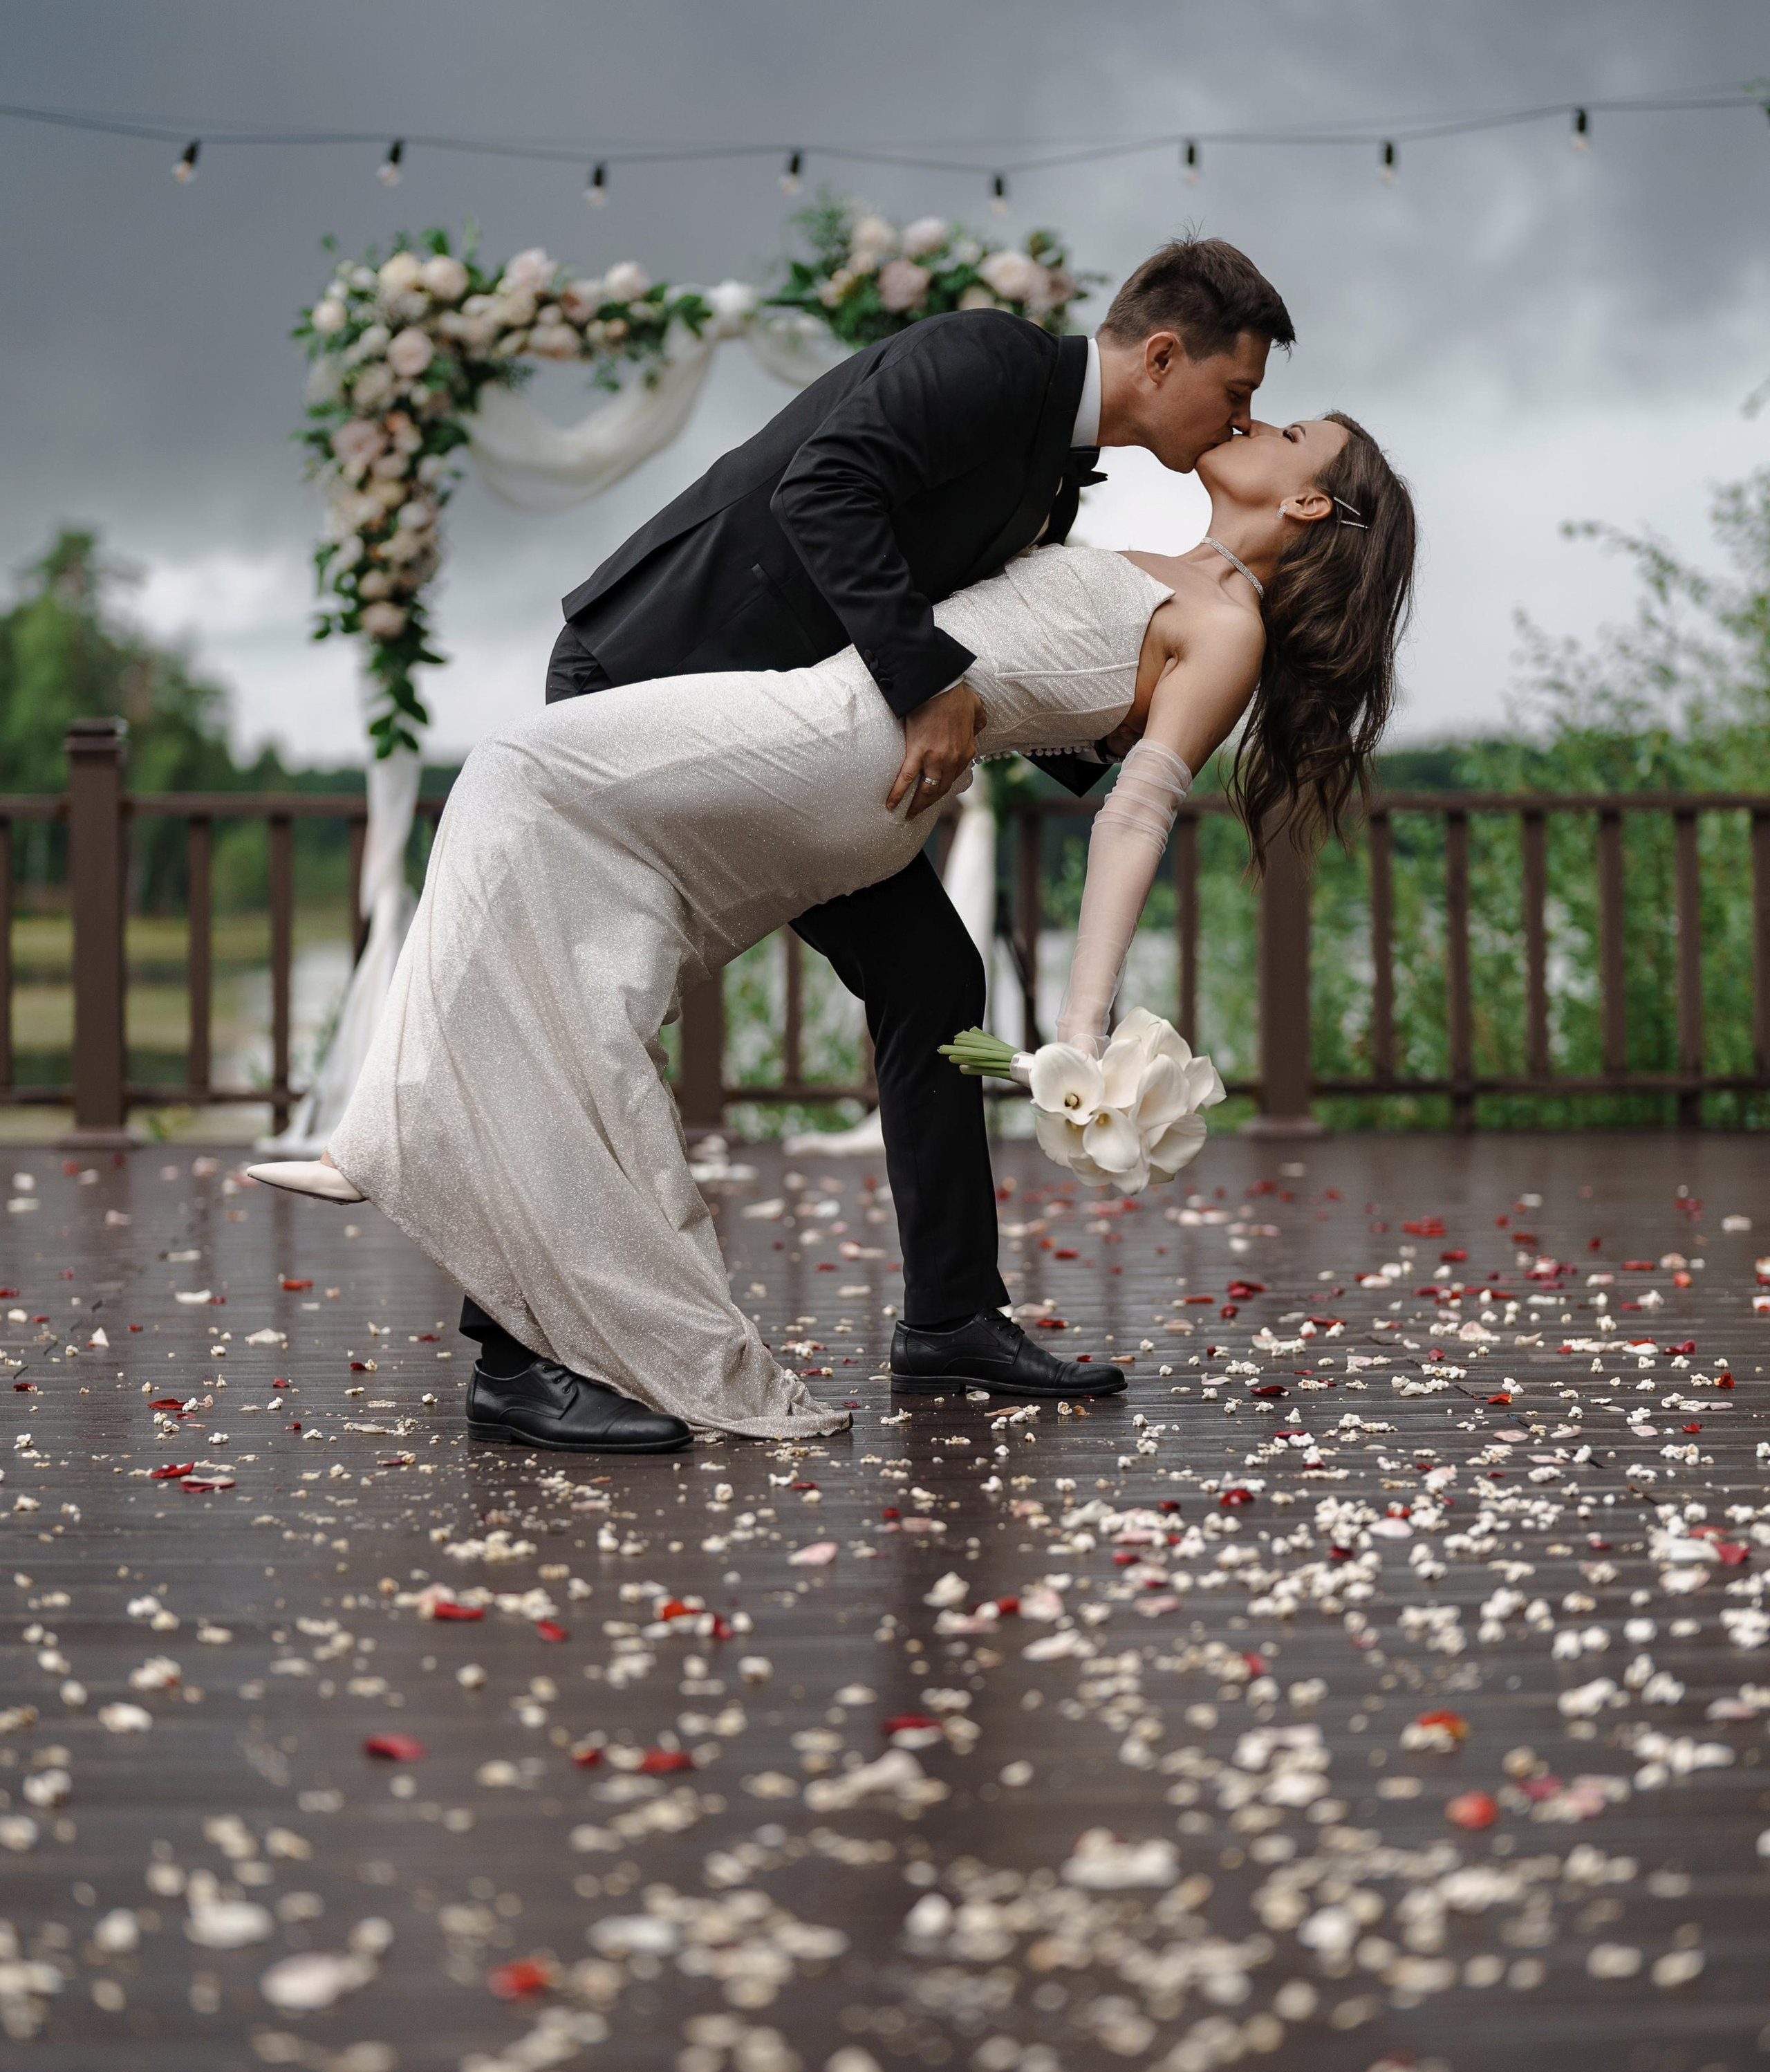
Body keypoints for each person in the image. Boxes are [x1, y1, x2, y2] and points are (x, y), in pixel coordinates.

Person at [252, 237, 1296, 1452]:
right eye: (1237, 390)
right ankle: (515, 1358)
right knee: (593, 999)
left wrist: (1124, 706)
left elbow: (1002, 650)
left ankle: (953, 1320)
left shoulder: (1054, 474)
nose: (1242, 416)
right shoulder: (988, 360)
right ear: (1163, 355)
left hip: (803, 737)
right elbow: (824, 492)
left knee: (934, 982)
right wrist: (930, 682)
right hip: (655, 672)